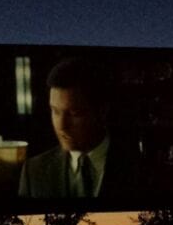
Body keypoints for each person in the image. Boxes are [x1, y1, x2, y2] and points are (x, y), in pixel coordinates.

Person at [18, 57, 139, 198]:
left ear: (102, 111)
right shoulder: (34, 170)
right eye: (55, 111)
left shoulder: (138, 167)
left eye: (74, 114)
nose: (62, 126)